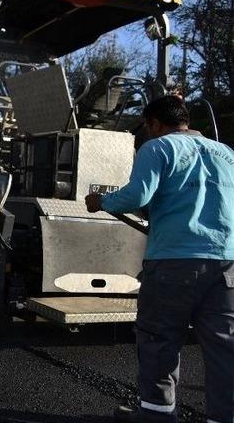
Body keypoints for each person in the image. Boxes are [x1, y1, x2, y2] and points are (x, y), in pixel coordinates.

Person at [85, 96, 234, 423]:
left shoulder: (158, 148)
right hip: (226, 265)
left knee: (159, 339)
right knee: (224, 348)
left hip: (173, 262)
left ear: (154, 123)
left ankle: (157, 413)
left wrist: (102, 201)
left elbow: (138, 195)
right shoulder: (227, 154)